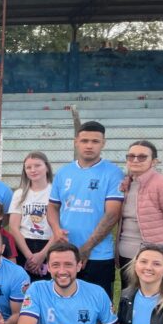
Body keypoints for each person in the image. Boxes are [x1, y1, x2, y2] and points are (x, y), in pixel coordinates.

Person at [47, 121, 125, 299]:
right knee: (63, 302)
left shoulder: (113, 173)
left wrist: (87, 247)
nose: (89, 146)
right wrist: (56, 229)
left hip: (98, 256)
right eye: (84, 141)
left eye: (95, 141)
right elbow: (52, 206)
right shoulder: (64, 172)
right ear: (76, 142)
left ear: (103, 143)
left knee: (98, 305)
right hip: (65, 254)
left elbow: (112, 214)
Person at [116, 140, 163, 274]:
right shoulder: (126, 184)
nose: (135, 160)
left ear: (154, 161)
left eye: (142, 157)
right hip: (125, 256)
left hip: (152, 259)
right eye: (131, 156)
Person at [8, 151, 54, 282]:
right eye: (28, 167)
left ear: (47, 167)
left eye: (37, 165)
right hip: (24, 245)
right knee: (24, 286)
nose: (33, 170)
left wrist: (42, 255)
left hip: (49, 245)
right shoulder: (19, 194)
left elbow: (60, 227)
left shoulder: (56, 192)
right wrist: (29, 256)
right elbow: (13, 227)